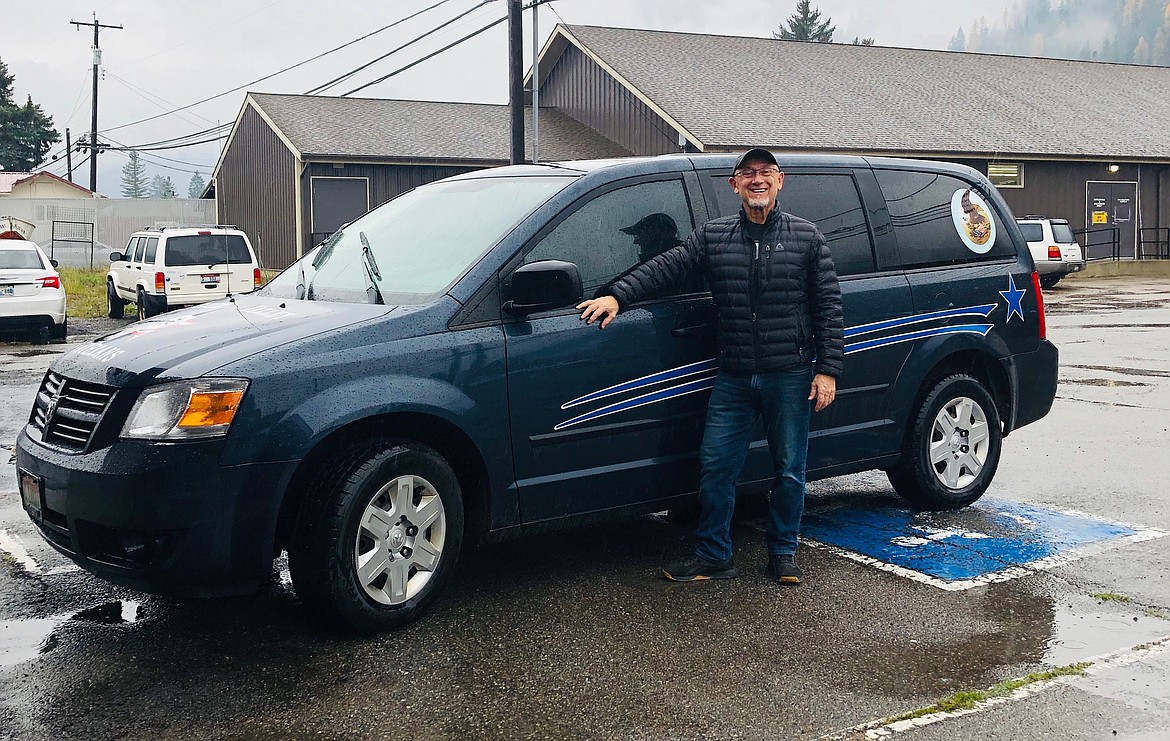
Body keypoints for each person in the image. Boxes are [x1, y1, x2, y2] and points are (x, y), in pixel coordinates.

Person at [577, 148, 844, 585]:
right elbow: (666, 267)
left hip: (790, 373)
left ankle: (783, 553)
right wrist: (618, 296)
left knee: (790, 469)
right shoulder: (714, 237)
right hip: (735, 375)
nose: (757, 180)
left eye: (765, 173)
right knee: (717, 465)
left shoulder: (807, 238)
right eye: (747, 174)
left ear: (781, 180)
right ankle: (715, 555)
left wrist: (827, 368)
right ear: (733, 185)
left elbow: (829, 307)